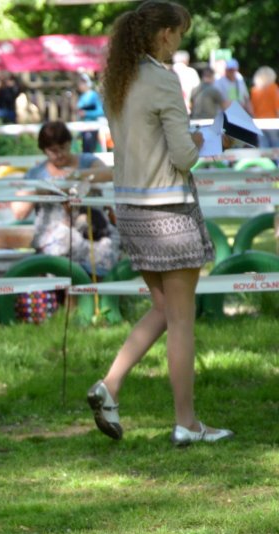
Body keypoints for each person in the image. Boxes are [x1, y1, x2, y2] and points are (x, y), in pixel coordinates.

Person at [91, 0, 233, 445]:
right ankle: (186, 422)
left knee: (163, 310)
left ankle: (110, 385)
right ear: (166, 34)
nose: (179, 42)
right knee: (182, 320)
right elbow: (184, 156)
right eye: (180, 33)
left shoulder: (116, 79)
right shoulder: (163, 80)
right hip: (168, 211)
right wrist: (218, 138)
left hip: (131, 210)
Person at [11, 121, 119, 277]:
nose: (59, 154)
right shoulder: (36, 174)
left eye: (63, 147)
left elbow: (110, 173)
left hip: (94, 235)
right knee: (60, 247)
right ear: (44, 150)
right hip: (54, 238)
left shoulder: (88, 162)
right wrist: (44, 189)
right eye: (53, 150)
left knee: (104, 249)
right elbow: (18, 212)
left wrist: (77, 176)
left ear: (69, 143)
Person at [250, 66, 279, 148]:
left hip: (259, 122)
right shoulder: (273, 88)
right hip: (272, 121)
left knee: (263, 146)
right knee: (276, 145)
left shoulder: (254, 90)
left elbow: (252, 109)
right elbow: (277, 107)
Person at [75, 73, 105, 153]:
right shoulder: (82, 96)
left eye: (81, 83)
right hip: (83, 128)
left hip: (92, 127)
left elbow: (101, 111)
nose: (79, 85)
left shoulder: (93, 95)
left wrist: (87, 113)